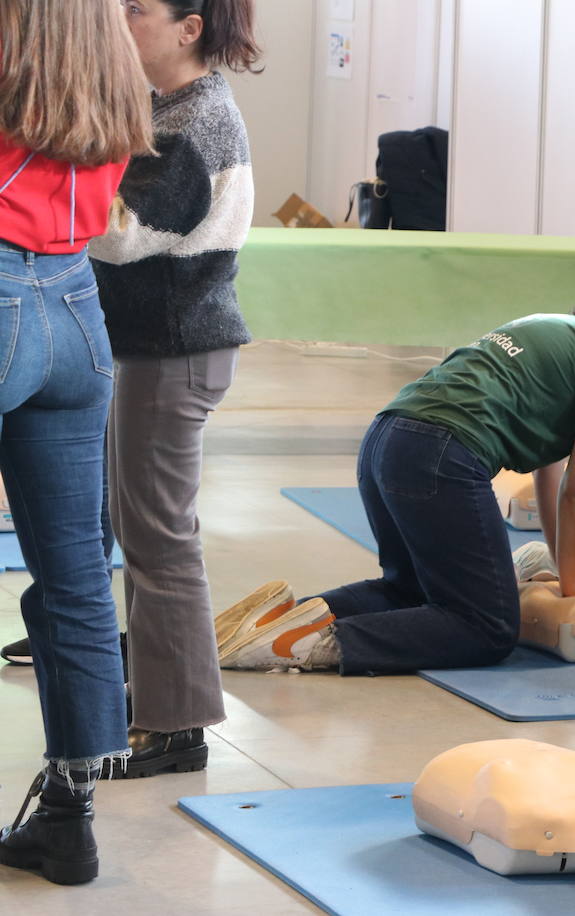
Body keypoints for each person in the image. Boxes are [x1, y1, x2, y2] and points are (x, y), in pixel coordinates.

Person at [217, 256, 575, 675]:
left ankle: (277, 623)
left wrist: (570, 573)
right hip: (440, 454)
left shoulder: (560, 328)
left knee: (412, 591)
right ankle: (313, 645)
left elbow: (551, 473)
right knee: (489, 626)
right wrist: (570, 586)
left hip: (386, 438)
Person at [83, 0, 261, 779]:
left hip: (176, 349)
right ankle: (155, 697)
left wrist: (47, 189)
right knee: (142, 529)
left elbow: (123, 233)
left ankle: (178, 725)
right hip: (153, 347)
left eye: (137, 9)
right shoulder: (164, 106)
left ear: (189, 27)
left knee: (159, 540)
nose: (122, 19)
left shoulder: (198, 119)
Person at [0, 0, 154, 884]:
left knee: (75, 580)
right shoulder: (111, 71)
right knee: (77, 582)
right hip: (74, 309)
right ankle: (69, 815)